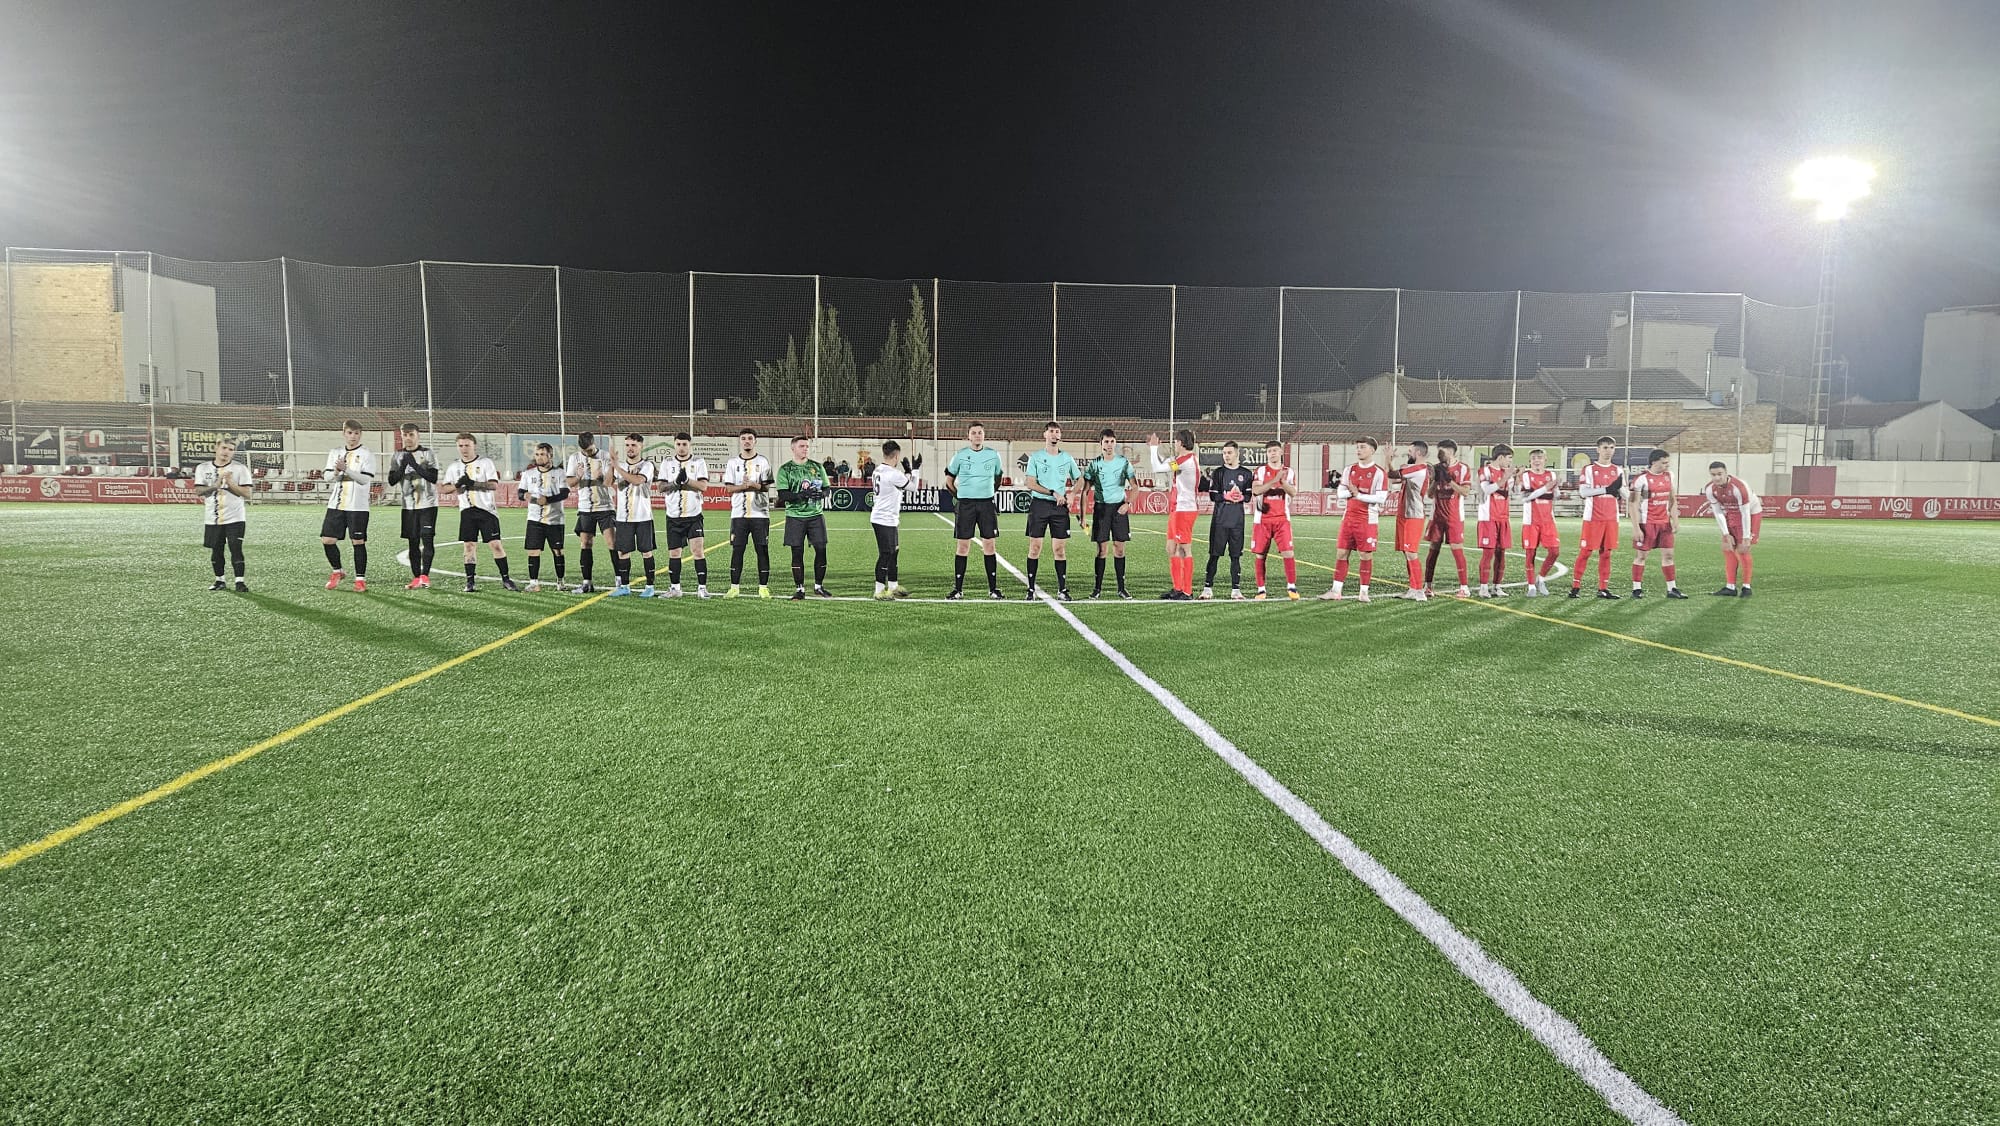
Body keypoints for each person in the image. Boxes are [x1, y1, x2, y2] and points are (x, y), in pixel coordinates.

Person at [440, 433, 517, 593]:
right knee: (469, 546)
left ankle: (506, 579)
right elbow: (445, 488)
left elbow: (494, 485)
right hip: (467, 512)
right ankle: (470, 582)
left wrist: (473, 483)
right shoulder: (454, 467)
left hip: (487, 511)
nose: (464, 449)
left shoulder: (485, 463)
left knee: (495, 545)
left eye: (467, 445)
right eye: (460, 446)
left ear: (474, 446)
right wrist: (458, 484)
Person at [1320, 437, 1388, 602]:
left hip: (1367, 519)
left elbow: (1381, 498)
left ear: (1372, 450)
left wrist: (1359, 495)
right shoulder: (1349, 469)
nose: (1358, 450)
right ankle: (1336, 591)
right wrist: (1353, 493)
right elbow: (1340, 493)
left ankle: (1363, 592)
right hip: (1349, 517)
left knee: (1365, 555)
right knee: (1342, 553)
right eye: (1357, 447)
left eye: (1362, 447)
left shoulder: (1379, 473)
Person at [1021, 421, 1082, 600]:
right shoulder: (1036, 457)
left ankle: (1062, 590)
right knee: (1035, 547)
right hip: (1039, 505)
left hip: (1059, 508)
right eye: (1051, 432)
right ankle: (1030, 590)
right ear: (1045, 435)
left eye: (1057, 432)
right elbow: (1030, 483)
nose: (1054, 435)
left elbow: (1080, 479)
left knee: (1060, 549)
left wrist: (1071, 493)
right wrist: (1052, 492)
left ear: (1060, 436)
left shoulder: (1067, 458)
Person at [944, 422, 1005, 600]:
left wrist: (990, 492)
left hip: (986, 505)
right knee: (963, 546)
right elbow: (949, 479)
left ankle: (993, 589)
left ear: (984, 435)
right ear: (968, 436)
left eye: (980, 433)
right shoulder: (960, 455)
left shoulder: (993, 455)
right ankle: (958, 589)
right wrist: (960, 496)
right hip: (966, 505)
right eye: (974, 433)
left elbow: (998, 476)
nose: (977, 435)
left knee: (990, 545)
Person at [320, 419, 376, 591]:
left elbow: (365, 479)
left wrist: (347, 470)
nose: (353, 436)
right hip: (336, 504)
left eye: (357, 433)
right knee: (327, 540)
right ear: (344, 433)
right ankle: (337, 571)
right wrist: (337, 471)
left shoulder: (367, 454)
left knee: (357, 541)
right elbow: (327, 477)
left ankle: (360, 580)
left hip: (357, 507)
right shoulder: (335, 452)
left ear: (361, 434)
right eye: (350, 433)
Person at [1568, 436, 1625, 600]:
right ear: (1598, 449)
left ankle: (1603, 588)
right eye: (1605, 447)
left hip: (1612, 518)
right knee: (1586, 552)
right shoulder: (1589, 469)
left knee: (1606, 553)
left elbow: (1623, 492)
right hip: (1593, 518)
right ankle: (1575, 586)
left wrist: (1638, 496)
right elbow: (1583, 492)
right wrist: (1606, 489)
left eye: (1612, 447)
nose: (1608, 451)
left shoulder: (1618, 470)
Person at [1081, 428, 1136, 599]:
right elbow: (1084, 491)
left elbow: (1135, 487)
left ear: (1115, 443)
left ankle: (1121, 588)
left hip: (1119, 509)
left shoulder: (1124, 462)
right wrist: (1083, 517)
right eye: (1106, 441)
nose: (1109, 445)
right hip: (1101, 509)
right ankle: (1097, 589)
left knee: (1119, 549)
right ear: (1101, 444)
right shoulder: (1094, 464)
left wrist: (1127, 503)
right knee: (1101, 550)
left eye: (1112, 441)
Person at [776, 436, 832, 599]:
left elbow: (827, 489)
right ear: (793, 448)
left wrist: (821, 494)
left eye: (807, 446)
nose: (805, 449)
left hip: (816, 515)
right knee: (797, 552)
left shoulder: (817, 466)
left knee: (821, 549)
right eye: (802, 446)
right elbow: (782, 495)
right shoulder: (785, 469)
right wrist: (801, 495)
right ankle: (800, 589)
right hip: (795, 516)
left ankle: (818, 586)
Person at [720, 428, 774, 599]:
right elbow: (728, 488)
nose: (747, 441)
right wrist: (743, 486)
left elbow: (766, 487)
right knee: (737, 550)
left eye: (750, 438)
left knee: (762, 550)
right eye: (743, 438)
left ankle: (763, 587)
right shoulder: (732, 463)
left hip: (760, 515)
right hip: (738, 516)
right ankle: (734, 587)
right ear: (740, 441)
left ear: (755, 441)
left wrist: (753, 484)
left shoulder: (763, 461)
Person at [1148, 429, 1201, 600]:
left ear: (1181, 443)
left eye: (1176, 442)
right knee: (1171, 548)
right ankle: (1177, 588)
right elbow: (1165, 464)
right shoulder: (1183, 460)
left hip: (1185, 509)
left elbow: (1157, 468)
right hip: (1177, 509)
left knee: (1184, 549)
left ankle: (1187, 590)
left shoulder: (1186, 461)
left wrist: (1153, 448)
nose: (1175, 445)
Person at [193, 436, 252, 591]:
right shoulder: (202, 468)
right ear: (216, 448)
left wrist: (231, 483)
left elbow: (247, 493)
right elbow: (198, 491)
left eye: (231, 450)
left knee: (235, 548)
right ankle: (220, 580)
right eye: (224, 448)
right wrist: (215, 485)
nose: (226, 452)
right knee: (216, 549)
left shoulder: (240, 469)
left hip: (236, 517)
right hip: (212, 518)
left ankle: (240, 582)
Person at [658, 431, 711, 598]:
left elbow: (703, 486)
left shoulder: (698, 462)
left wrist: (687, 481)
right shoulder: (667, 463)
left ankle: (702, 589)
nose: (681, 447)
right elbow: (660, 487)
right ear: (674, 445)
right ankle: (675, 588)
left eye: (684, 444)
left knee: (698, 551)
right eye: (678, 444)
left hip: (694, 515)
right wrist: (675, 483)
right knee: (674, 553)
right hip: (673, 516)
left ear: (690, 445)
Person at [1628, 449, 1687, 599]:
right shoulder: (1641, 479)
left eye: (1668, 463)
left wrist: (1675, 520)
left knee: (1669, 555)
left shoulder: (1669, 476)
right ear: (1654, 462)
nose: (1667, 466)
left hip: (1664, 523)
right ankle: (1636, 589)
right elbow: (1633, 504)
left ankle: (1672, 588)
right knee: (1641, 556)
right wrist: (1636, 528)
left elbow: (1672, 499)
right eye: (1664, 463)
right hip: (1647, 522)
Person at [387, 423, 439, 590]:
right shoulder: (397, 455)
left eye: (411, 435)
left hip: (428, 504)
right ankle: (416, 577)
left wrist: (415, 465)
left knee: (427, 538)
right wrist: (403, 466)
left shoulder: (428, 453)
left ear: (418, 435)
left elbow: (433, 477)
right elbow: (392, 480)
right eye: (405, 435)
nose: (408, 438)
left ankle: (425, 576)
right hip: (408, 506)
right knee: (413, 542)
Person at [1202, 440, 1255, 600]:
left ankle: (1236, 590)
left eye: (1229, 453)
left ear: (1237, 454)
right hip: (1220, 520)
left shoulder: (1246, 474)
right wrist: (1226, 496)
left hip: (1237, 521)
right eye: (1224, 453)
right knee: (1214, 555)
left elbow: (1248, 496)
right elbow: (1213, 495)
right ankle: (1207, 588)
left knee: (1235, 556)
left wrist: (1239, 496)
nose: (1226, 456)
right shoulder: (1218, 472)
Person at [607, 433, 658, 597]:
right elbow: (607, 483)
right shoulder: (620, 465)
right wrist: (612, 465)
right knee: (623, 552)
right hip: (623, 517)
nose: (630, 448)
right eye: (628, 445)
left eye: (634, 445)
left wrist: (619, 469)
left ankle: (650, 587)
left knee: (646, 552)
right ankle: (624, 587)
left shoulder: (647, 465)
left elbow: (637, 481)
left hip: (643, 516)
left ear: (641, 446)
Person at [564, 432, 615, 594]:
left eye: (591, 450)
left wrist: (600, 476)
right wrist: (578, 476)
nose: (588, 453)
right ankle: (587, 583)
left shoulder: (605, 456)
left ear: (594, 444)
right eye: (585, 451)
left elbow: (609, 482)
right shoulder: (574, 458)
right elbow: (570, 483)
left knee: (612, 543)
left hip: (605, 508)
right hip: (585, 508)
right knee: (585, 543)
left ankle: (620, 581)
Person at [1423, 439, 1473, 598]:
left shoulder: (1463, 468)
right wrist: (1436, 480)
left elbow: (1465, 492)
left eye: (1441, 451)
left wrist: (1449, 480)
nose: (1438, 455)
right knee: (1433, 551)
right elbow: (1430, 494)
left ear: (1450, 452)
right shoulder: (1436, 469)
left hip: (1454, 516)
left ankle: (1464, 587)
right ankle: (1428, 586)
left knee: (1457, 550)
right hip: (1436, 516)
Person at [1250, 441, 1299, 601]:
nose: (1272, 453)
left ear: (1281, 452)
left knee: (1288, 552)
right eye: (1270, 451)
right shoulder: (1261, 471)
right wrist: (1273, 481)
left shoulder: (1289, 472)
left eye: (1275, 450)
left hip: (1282, 519)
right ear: (1267, 454)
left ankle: (1292, 587)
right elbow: (1256, 490)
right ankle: (1261, 590)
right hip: (1262, 520)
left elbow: (1293, 492)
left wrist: (1282, 482)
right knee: (1260, 555)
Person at [517, 441, 569, 593]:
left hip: (555, 519)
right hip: (534, 519)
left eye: (543, 454)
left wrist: (548, 500)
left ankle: (560, 582)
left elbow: (565, 493)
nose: (539, 457)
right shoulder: (528, 474)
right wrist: (527, 496)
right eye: (537, 454)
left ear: (550, 456)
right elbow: (520, 494)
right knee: (533, 551)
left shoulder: (559, 473)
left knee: (557, 551)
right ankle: (534, 583)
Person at [1703, 462, 1760, 598]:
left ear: (1726, 473)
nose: (1716, 478)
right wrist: (1726, 533)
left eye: (1719, 474)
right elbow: (1717, 511)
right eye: (1713, 475)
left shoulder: (1739, 487)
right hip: (1731, 514)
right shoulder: (1710, 489)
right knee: (1727, 547)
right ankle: (1730, 587)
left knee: (1742, 549)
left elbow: (1745, 512)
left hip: (1750, 514)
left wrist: (1746, 536)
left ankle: (1746, 587)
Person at [1386, 440, 1430, 601]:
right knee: (1407, 552)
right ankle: (1413, 588)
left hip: (1413, 515)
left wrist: (1388, 459)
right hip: (1405, 514)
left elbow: (1391, 474)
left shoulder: (1419, 468)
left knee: (1411, 553)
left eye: (1410, 451)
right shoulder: (1413, 469)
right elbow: (1393, 478)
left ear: (1418, 453)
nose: (1408, 453)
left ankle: (1419, 590)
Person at [870, 440, 915, 600]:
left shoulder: (879, 470)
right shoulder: (893, 473)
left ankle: (893, 586)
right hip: (884, 519)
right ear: (896, 456)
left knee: (893, 552)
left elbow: (902, 483)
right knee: (886, 554)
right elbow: (912, 486)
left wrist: (908, 472)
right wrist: (913, 470)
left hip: (887, 517)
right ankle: (879, 590)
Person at [1517, 449, 1561, 597]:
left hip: (1548, 520)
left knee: (1554, 552)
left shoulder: (1551, 475)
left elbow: (1556, 495)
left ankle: (1541, 579)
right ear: (1530, 461)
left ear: (1545, 460)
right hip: (1531, 521)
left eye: (1540, 458)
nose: (1537, 460)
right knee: (1530, 554)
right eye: (1534, 458)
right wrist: (1545, 488)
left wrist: (1557, 490)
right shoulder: (1526, 476)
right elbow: (1525, 497)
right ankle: (1531, 586)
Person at [1475, 444, 1516, 597]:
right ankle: (1483, 587)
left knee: (1501, 553)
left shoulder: (1507, 473)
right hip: (1488, 518)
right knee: (1488, 552)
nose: (1510, 462)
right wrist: (1506, 477)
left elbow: (1513, 492)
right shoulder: (1485, 471)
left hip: (1503, 517)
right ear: (1500, 457)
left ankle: (1497, 586)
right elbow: (1487, 489)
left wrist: (1516, 479)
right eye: (1509, 458)